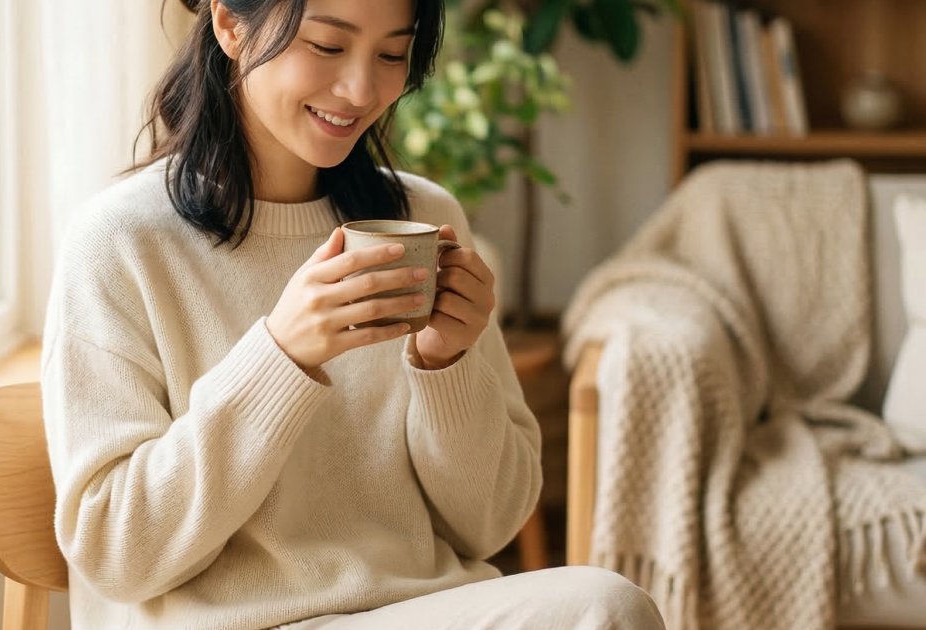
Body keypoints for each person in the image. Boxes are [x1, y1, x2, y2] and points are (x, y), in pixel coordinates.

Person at [40, 0, 666, 628]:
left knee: (608, 607)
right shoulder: (120, 242)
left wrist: (445, 365)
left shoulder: (424, 219)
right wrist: (281, 356)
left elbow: (491, 524)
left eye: (393, 54)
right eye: (327, 46)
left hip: (424, 611)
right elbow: (116, 552)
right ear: (231, 25)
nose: (362, 88)